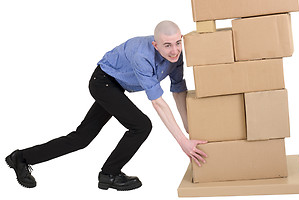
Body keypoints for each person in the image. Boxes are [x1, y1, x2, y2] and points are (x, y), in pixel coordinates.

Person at [5, 20, 208, 191]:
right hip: (103, 82)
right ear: (156, 45)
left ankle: (21, 158)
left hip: (116, 86)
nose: (174, 51)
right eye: (167, 45)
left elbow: (178, 90)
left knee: (82, 138)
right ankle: (109, 174)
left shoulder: (177, 56)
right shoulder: (142, 55)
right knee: (141, 125)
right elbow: (158, 102)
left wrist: (189, 128)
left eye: (178, 43)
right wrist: (182, 142)